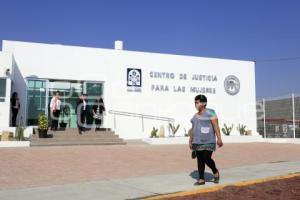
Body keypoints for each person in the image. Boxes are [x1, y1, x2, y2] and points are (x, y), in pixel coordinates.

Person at [189, 94, 223, 185]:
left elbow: (216, 126)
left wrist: (219, 138)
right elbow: (193, 128)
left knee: (206, 158)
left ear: (204, 103)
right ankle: (201, 178)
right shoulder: (195, 116)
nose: (195, 104)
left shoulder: (211, 112)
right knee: (200, 159)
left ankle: (215, 171)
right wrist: (190, 140)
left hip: (209, 141)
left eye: (197, 102)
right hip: (197, 141)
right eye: (195, 102)